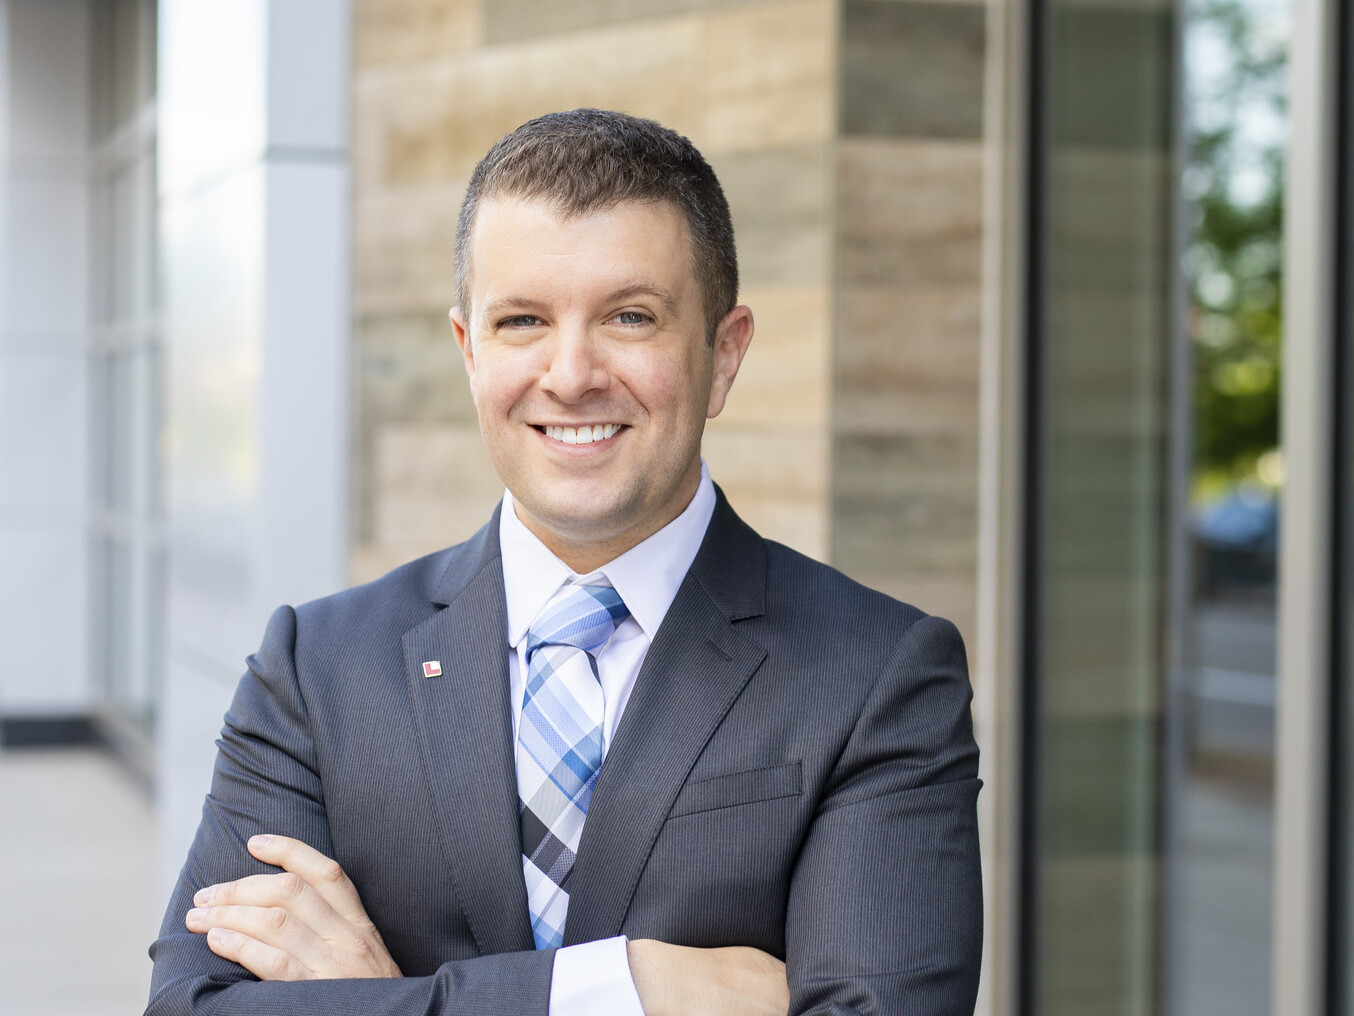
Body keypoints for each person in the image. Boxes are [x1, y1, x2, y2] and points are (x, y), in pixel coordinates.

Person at [145, 108, 982, 1016]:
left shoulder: (877, 675)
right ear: (470, 352)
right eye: (522, 321)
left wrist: (383, 1002)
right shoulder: (315, 670)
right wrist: (615, 990)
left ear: (724, 355)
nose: (572, 372)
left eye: (630, 316)